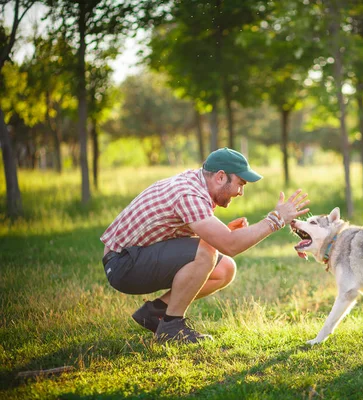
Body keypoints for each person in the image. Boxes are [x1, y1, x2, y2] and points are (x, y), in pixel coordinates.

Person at [100, 147, 310, 344]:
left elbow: (207, 239)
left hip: (136, 256)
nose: (240, 192)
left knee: (224, 269)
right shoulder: (189, 194)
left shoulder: (197, 184)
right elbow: (229, 245)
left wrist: (223, 233)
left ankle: (156, 312)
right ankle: (172, 327)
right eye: (240, 183)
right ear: (220, 177)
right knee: (208, 250)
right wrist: (276, 219)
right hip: (123, 264)